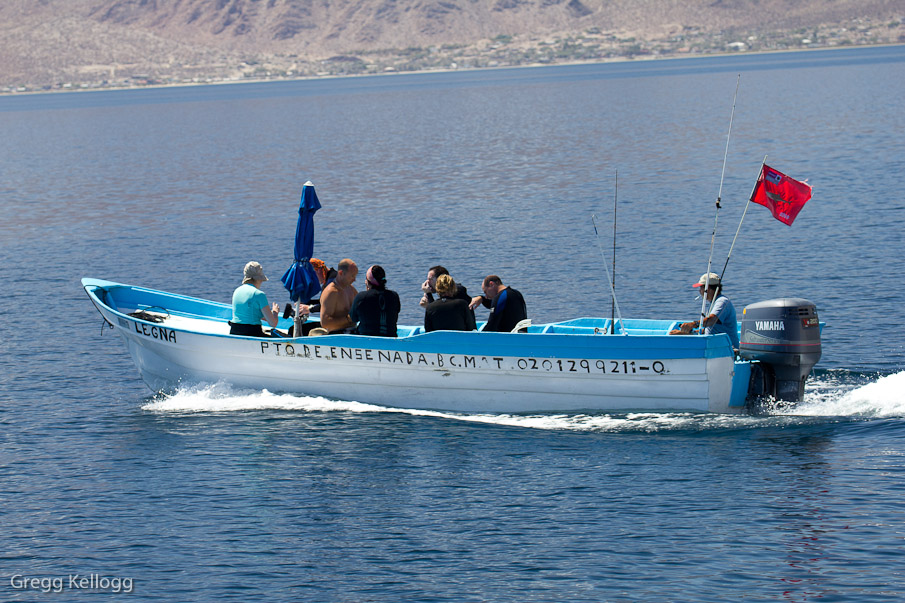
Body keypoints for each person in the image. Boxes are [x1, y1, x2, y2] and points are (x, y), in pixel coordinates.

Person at [671, 272, 739, 350]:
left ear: (708, 289)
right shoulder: (713, 303)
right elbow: (708, 330)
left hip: (727, 349)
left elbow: (712, 320)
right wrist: (685, 333)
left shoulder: (722, 302)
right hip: (716, 347)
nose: (699, 291)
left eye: (701, 288)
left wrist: (694, 324)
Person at [230, 261, 281, 337]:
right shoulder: (259, 294)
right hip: (252, 333)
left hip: (235, 331)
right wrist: (275, 313)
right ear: (259, 279)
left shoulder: (236, 291)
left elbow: (251, 314)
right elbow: (273, 324)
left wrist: (269, 314)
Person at [350, 265, 401, 337]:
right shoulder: (394, 296)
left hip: (367, 340)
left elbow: (353, 318)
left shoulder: (361, 297)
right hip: (391, 337)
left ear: (367, 282)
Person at [319, 258, 359, 333]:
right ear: (340, 273)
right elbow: (325, 323)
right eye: (352, 276)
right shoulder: (331, 292)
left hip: (353, 332)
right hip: (337, 335)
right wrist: (348, 319)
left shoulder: (351, 289)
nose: (354, 280)